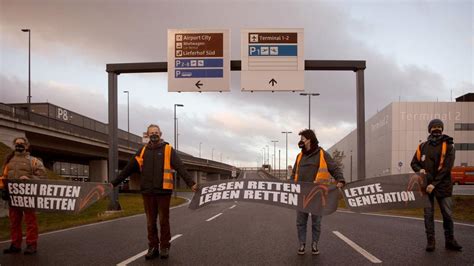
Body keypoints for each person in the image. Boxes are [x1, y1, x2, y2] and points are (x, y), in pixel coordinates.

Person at [111, 124, 197, 260]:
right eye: (151, 132)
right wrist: (113, 183)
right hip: (148, 193)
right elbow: (128, 168)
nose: (154, 134)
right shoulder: (142, 151)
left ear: (161, 134)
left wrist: (191, 183)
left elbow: (181, 168)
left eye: (156, 132)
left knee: (163, 221)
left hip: (163, 192)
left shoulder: (168, 150)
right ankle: (152, 247)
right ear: (147, 134)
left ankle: (164, 247)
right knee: (150, 222)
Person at [410, 119, 462, 252]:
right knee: (428, 215)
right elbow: (414, 163)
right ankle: (431, 241)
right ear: (429, 129)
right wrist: (419, 170)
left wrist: (434, 184)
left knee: (447, 215)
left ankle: (450, 240)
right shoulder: (422, 146)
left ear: (442, 129)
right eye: (434, 127)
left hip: (443, 186)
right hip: (426, 187)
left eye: (439, 127)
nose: (437, 129)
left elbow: (446, 168)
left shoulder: (449, 146)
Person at [291, 129, 345, 255]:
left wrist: (340, 179)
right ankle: (302, 244)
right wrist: (289, 184)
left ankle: (314, 244)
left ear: (309, 139)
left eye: (302, 139)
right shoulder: (299, 156)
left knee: (316, 222)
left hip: (317, 195)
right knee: (300, 222)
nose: (300, 142)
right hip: (301, 194)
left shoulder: (322, 154)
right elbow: (294, 173)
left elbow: (334, 168)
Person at [2, 137, 46, 255]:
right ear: (14, 145)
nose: (19, 145)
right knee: (14, 222)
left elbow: (42, 177)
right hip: (14, 197)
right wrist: (3, 188)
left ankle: (31, 245)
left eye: (21, 144)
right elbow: (4, 177)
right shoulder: (9, 160)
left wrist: (30, 178)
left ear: (26, 146)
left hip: (28, 197)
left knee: (30, 222)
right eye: (17, 144)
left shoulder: (33, 161)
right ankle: (15, 245)